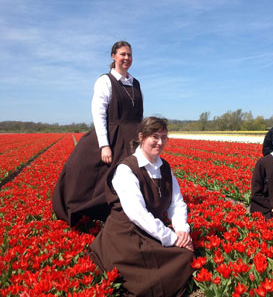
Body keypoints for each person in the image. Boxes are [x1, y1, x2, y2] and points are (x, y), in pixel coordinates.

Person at [89, 117, 194, 296]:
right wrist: (172, 238)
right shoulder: (126, 169)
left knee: (186, 255)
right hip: (126, 233)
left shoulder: (165, 168)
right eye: (155, 136)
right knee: (149, 272)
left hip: (151, 229)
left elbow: (177, 203)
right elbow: (137, 214)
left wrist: (182, 230)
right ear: (141, 137)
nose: (160, 142)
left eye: (164, 137)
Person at [52, 41, 143, 226]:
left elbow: (139, 114)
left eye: (129, 55)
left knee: (132, 176)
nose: (126, 58)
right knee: (86, 169)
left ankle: (131, 213)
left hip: (132, 137)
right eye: (123, 54)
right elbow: (99, 113)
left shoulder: (135, 83)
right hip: (113, 133)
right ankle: (91, 210)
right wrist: (104, 145)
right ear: (113, 56)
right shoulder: (105, 81)